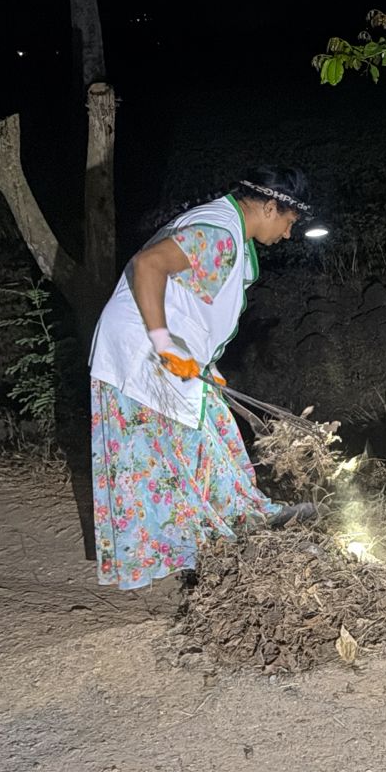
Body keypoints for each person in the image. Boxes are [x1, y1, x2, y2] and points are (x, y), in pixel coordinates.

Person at [86, 166, 317, 590]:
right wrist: (164, 343)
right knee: (166, 455)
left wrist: (207, 366)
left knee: (216, 433)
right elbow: (147, 266)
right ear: (269, 207)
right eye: (289, 222)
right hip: (140, 352)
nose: (288, 234)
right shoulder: (219, 233)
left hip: (164, 350)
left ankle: (250, 521)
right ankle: (219, 545)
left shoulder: (229, 231)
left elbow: (190, 300)